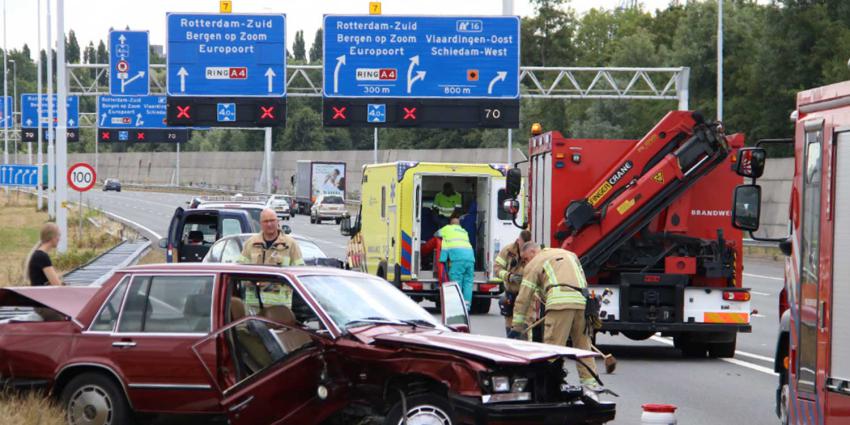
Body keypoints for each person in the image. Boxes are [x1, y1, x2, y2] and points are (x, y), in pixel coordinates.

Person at [509, 243, 599, 388]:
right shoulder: (570, 255)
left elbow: (524, 297)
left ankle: (550, 386)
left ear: (532, 251)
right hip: (582, 304)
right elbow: (582, 280)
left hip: (559, 305)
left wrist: (517, 327)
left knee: (552, 349)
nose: (525, 263)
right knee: (583, 348)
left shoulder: (535, 262)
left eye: (525, 259)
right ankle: (591, 386)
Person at [240, 209, 305, 307]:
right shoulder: (250, 243)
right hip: (254, 307)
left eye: (272, 220)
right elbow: (240, 271)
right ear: (260, 224)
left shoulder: (290, 244)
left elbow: (299, 274)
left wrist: (272, 283)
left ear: (278, 221)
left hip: (279, 307)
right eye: (266, 221)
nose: (269, 224)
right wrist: (251, 281)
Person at [494, 230, 532, 336]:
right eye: (523, 245)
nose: (524, 249)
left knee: (526, 323)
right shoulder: (508, 251)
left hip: (525, 294)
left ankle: (524, 340)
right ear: (518, 241)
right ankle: (510, 338)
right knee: (510, 322)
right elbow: (497, 269)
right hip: (511, 292)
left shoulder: (531, 251)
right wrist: (509, 277)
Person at [435, 214, 475, 310]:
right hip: (470, 258)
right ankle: (467, 306)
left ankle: (458, 306)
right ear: (459, 224)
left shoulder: (447, 228)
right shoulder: (464, 231)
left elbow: (436, 234)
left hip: (458, 258)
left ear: (450, 223)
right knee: (468, 282)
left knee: (457, 282)